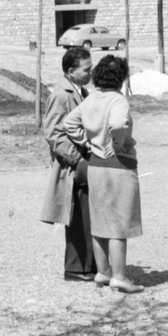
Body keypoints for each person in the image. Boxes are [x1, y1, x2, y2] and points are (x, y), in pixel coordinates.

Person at [62, 54, 143, 293]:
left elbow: (69, 123)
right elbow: (118, 124)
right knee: (119, 223)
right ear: (121, 78)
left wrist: (87, 143)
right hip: (118, 165)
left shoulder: (90, 99)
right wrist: (117, 144)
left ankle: (102, 272)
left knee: (99, 222)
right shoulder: (118, 101)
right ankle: (119, 276)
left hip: (95, 165)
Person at [38, 46, 95, 282]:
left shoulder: (78, 91)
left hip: (79, 161)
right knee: (79, 217)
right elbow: (53, 134)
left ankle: (88, 265)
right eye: (86, 69)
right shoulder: (61, 95)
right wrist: (78, 159)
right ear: (71, 71)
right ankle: (76, 268)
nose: (90, 73)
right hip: (71, 166)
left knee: (86, 215)